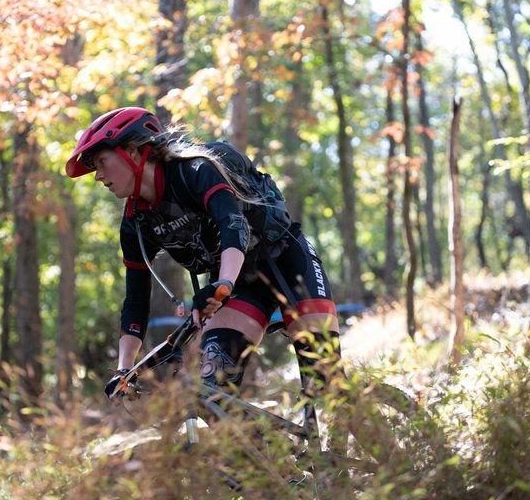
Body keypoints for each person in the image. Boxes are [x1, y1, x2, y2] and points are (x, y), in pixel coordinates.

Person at [65, 107, 340, 397]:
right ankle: (263, 444)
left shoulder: (194, 170)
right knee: (211, 391)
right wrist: (124, 370)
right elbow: (135, 300)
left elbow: (234, 224)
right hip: (240, 285)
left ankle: (370, 428)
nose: (98, 176)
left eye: (102, 162)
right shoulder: (136, 222)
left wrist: (221, 285)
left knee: (325, 383)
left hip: (286, 262)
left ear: (132, 152)